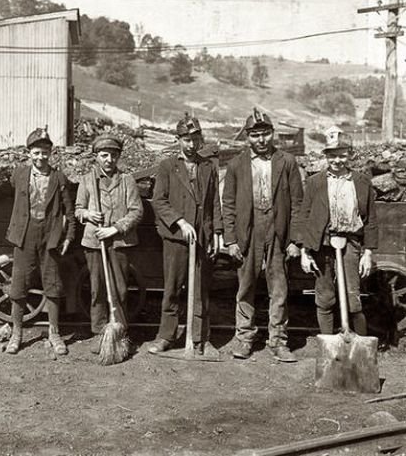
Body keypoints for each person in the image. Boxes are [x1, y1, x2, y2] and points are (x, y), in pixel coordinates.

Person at [222, 108, 303, 362]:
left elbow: (298, 204)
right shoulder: (236, 165)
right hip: (249, 230)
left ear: (272, 134)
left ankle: (278, 341)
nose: (261, 140)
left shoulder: (286, 162)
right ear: (248, 137)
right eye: (255, 135)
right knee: (245, 287)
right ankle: (245, 338)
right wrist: (232, 239)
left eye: (265, 134)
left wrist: (294, 240)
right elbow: (229, 204)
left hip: (277, 230)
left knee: (278, 288)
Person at [148, 113, 223, 355]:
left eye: (195, 139)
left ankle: (200, 339)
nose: (192, 145)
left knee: (201, 289)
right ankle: (166, 337)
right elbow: (158, 201)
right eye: (186, 140)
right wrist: (180, 221)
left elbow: (214, 203)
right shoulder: (168, 166)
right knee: (172, 288)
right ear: (178, 140)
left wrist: (216, 232)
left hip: (202, 237)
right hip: (176, 238)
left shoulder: (208, 166)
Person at [4, 127, 76, 355]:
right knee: (19, 285)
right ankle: (17, 333)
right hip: (24, 235)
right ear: (29, 154)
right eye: (36, 152)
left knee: (52, 285)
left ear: (50, 153)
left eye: (44, 152)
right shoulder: (20, 174)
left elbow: (70, 211)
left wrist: (69, 236)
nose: (40, 157)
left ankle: (54, 333)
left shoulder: (58, 177)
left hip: (50, 237)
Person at [299, 131, 377, 336]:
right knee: (325, 297)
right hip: (322, 244)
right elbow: (305, 217)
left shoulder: (361, 182)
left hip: (350, 244)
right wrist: (305, 252)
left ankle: (359, 342)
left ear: (350, 155)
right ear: (326, 156)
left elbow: (370, 220)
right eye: (332, 155)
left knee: (353, 298)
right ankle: (328, 342)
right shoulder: (315, 182)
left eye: (342, 155)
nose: (337, 160)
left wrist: (367, 253)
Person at [75, 134, 143, 355]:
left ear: (118, 157)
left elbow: (136, 211)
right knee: (97, 289)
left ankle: (120, 333)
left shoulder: (127, 180)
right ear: (96, 157)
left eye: (113, 155)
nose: (109, 160)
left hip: (120, 242)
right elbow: (77, 210)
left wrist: (115, 228)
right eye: (104, 155)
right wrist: (87, 213)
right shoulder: (87, 181)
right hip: (95, 242)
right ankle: (99, 334)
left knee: (120, 290)